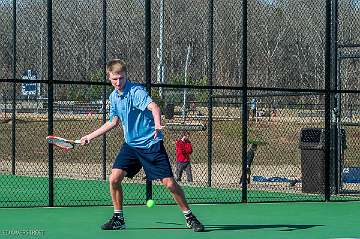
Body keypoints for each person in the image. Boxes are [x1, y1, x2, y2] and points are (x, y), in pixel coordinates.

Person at [79, 59, 204, 232]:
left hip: (150, 144)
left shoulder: (136, 92)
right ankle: (118, 218)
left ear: (126, 76)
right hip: (131, 146)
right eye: (114, 79)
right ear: (109, 77)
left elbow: (154, 107)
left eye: (121, 78)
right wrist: (90, 136)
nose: (118, 82)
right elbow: (113, 122)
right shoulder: (113, 97)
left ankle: (190, 217)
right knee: (114, 178)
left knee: (169, 183)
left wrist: (158, 125)